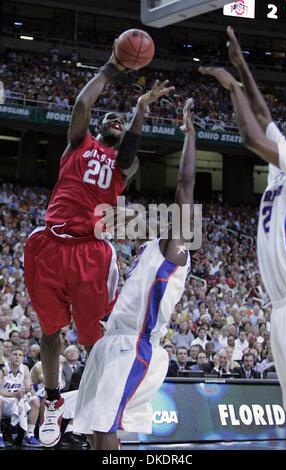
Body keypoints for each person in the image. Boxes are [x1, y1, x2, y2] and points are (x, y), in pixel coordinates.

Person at [23, 39, 175, 448]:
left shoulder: (126, 164)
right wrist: (110, 67)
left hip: (91, 252)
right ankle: (53, 400)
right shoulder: (78, 145)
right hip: (50, 245)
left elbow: (128, 155)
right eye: (111, 117)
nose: (114, 119)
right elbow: (80, 108)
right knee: (50, 333)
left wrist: (140, 112)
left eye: (120, 121)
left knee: (96, 341)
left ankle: (98, 411)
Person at [73, 98, 196, 450]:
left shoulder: (175, 248)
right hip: (113, 342)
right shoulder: (145, 251)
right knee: (97, 428)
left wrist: (190, 136)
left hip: (135, 345)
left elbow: (185, 186)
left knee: (106, 425)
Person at [200, 25, 286, 417]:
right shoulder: (285, 162)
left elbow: (251, 137)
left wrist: (232, 86)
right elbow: (264, 116)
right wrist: (242, 65)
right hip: (281, 310)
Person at [0, 346, 42, 447]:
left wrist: (27, 389)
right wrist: (14, 394)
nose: (17, 357)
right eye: (14, 355)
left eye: (20, 355)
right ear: (9, 356)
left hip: (18, 400)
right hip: (5, 400)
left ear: (23, 358)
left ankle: (29, 434)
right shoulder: (2, 369)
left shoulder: (25, 368)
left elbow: (28, 387)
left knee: (35, 400)